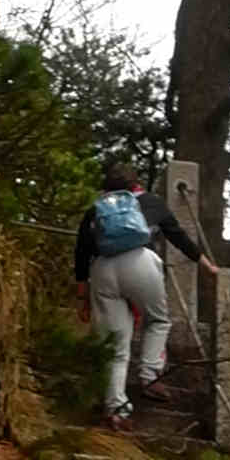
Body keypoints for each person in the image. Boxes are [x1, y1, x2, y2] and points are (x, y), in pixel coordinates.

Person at [70, 155, 187, 422]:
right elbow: (178, 236)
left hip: (101, 269)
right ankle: (149, 375)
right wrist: (205, 262)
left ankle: (116, 409)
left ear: (106, 187)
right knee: (158, 320)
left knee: (116, 345)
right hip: (140, 261)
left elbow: (81, 250)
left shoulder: (97, 208)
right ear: (136, 184)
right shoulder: (150, 202)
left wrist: (82, 293)